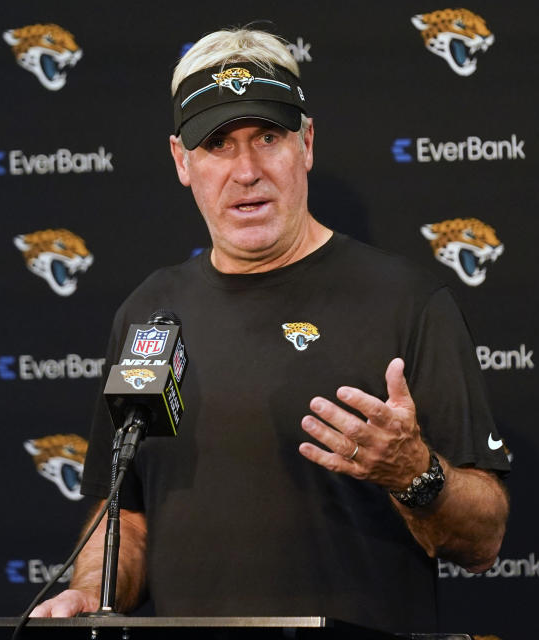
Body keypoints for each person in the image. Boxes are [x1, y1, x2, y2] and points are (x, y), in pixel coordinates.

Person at [31, 27, 510, 634]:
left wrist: (415, 472)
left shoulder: (408, 302)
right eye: (217, 144)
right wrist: (87, 592)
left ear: (306, 143)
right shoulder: (150, 312)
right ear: (182, 161)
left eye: (267, 137)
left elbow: (485, 538)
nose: (247, 170)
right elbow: (128, 514)